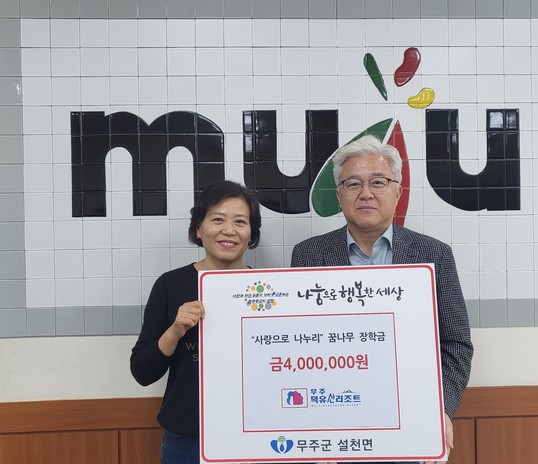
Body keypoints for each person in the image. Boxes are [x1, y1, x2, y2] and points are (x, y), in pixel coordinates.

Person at [291, 134, 473, 464]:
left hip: (410, 418)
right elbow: (299, 344)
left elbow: (455, 343)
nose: (366, 193)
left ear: (397, 192)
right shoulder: (308, 255)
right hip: (334, 422)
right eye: (353, 184)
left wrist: (441, 410)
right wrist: (311, 422)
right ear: (339, 195)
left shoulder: (434, 254)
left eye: (378, 182)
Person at [130, 180, 262, 464]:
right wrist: (175, 331)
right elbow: (142, 372)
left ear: (251, 233)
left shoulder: (266, 289)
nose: (229, 230)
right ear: (198, 230)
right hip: (187, 441)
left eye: (240, 221)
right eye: (218, 219)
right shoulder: (170, 285)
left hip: (254, 436)